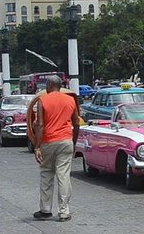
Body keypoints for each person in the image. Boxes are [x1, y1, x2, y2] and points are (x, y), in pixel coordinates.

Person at [32, 76, 80, 222]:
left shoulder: (43, 100)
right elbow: (76, 123)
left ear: (50, 84)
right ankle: (64, 211)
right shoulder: (71, 100)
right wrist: (74, 141)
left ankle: (46, 210)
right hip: (66, 140)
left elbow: (40, 124)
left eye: (46, 84)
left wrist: (36, 146)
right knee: (63, 176)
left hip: (48, 141)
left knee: (46, 174)